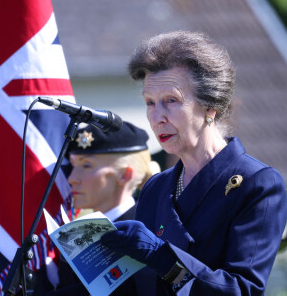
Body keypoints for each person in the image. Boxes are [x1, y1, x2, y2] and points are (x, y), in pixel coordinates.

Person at [100, 30, 287, 295]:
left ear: (210, 106)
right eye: (150, 103)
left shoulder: (257, 184)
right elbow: (132, 288)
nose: (157, 117)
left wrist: (162, 256)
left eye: (171, 101)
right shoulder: (156, 187)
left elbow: (242, 290)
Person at [46, 121, 160, 295]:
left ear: (125, 175)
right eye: (74, 165)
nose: (72, 178)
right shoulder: (77, 233)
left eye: (86, 165)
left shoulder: (149, 229)